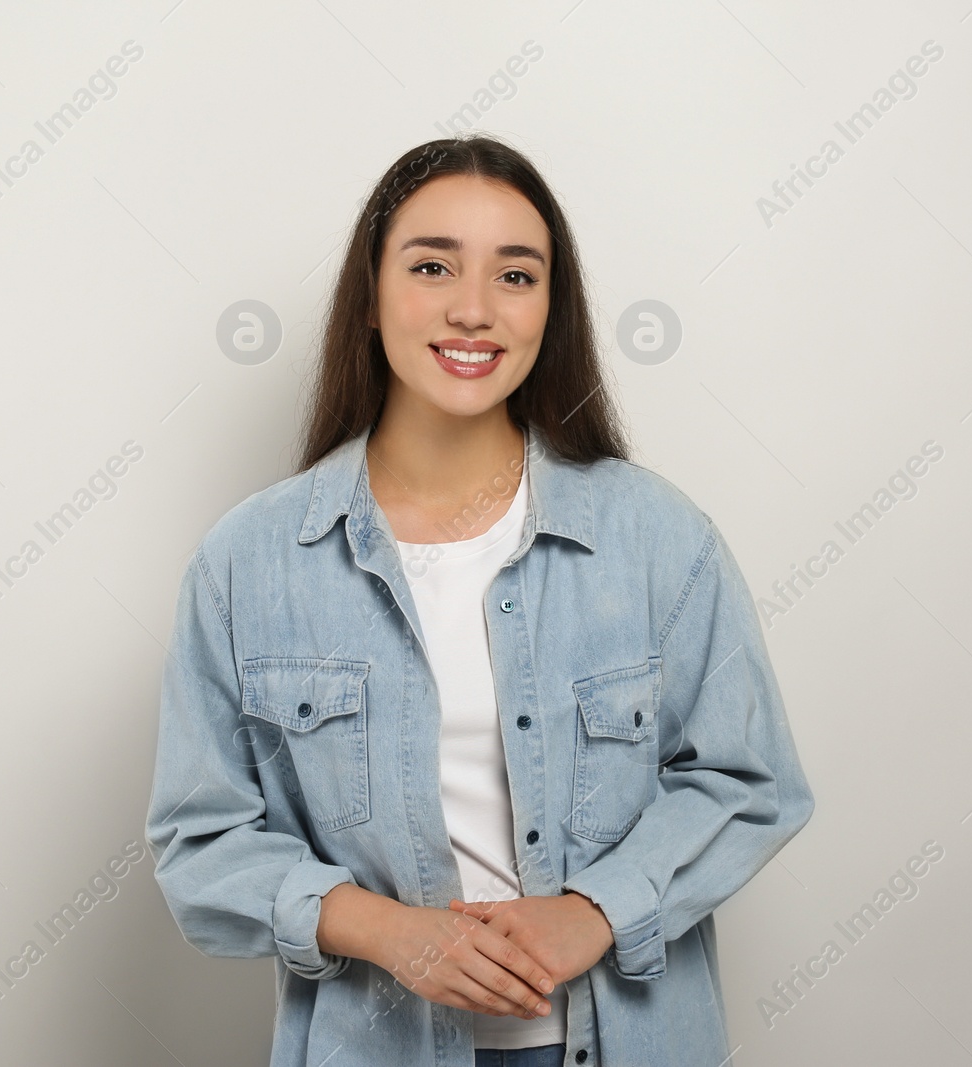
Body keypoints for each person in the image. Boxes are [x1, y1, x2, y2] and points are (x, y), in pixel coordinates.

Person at [145, 134, 815, 1067]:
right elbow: (200, 841)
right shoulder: (247, 565)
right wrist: (386, 930)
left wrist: (596, 910)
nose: (473, 309)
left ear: (551, 308)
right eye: (431, 267)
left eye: (516, 275)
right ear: (370, 301)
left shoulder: (659, 537)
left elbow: (751, 784)